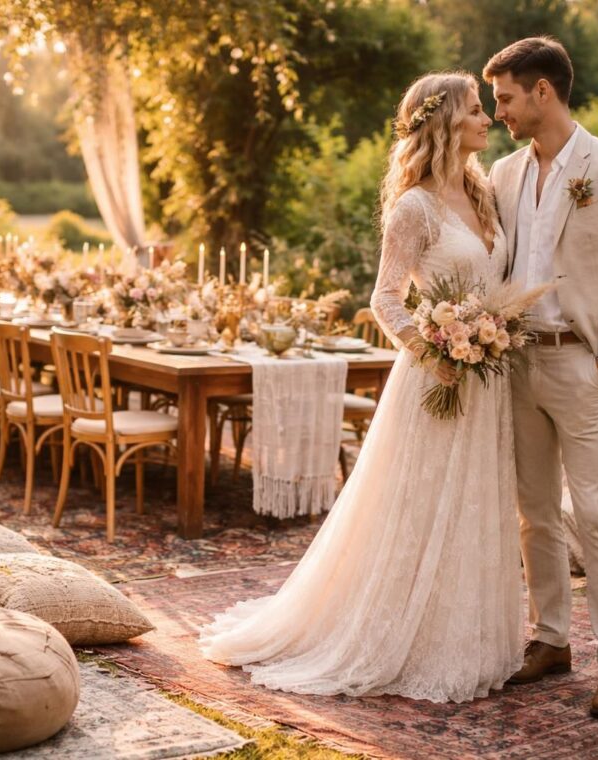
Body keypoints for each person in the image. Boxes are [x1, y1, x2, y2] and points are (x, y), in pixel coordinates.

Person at [198, 71, 524, 702]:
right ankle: (391, 632)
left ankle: (463, 633)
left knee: (473, 505)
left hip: (489, 382)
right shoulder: (414, 206)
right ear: (444, 122)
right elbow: (386, 299)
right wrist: (436, 351)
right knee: (418, 506)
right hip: (436, 379)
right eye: (477, 110)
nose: (488, 121)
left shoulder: (485, 195)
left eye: (488, 110)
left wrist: (487, 338)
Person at [483, 37, 598, 718]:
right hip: (516, 362)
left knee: (596, 517)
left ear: (542, 92)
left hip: (582, 363)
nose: (498, 110)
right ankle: (551, 639)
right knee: (533, 514)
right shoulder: (503, 173)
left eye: (505, 97)